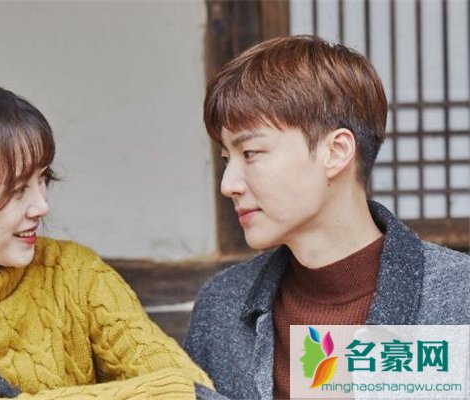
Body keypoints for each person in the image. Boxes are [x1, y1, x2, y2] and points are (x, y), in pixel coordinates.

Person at [0, 75, 213, 399]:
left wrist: (16, 396)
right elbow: (182, 392)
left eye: (43, 179)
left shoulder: (74, 273)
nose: (41, 206)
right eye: (17, 189)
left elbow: (199, 390)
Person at [184, 36, 470, 400]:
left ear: (335, 152)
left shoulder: (459, 296)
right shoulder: (223, 305)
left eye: (251, 153)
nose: (228, 185)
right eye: (227, 159)